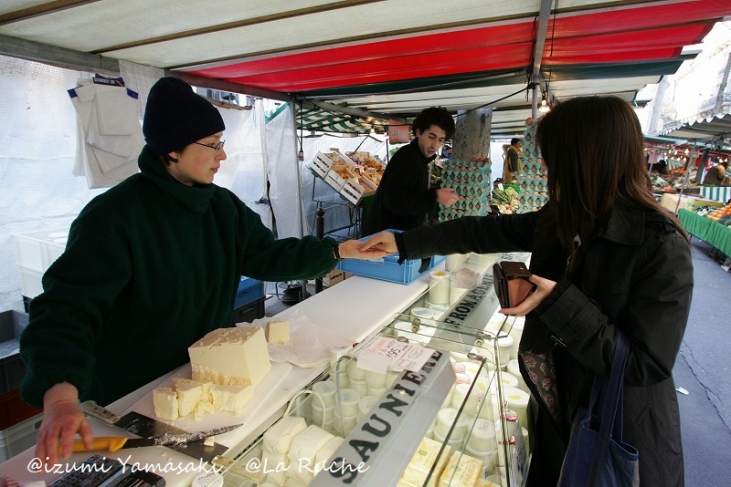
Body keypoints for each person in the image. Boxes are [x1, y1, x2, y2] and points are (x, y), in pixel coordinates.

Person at [19, 77, 387, 465]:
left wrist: (336, 249)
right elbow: (65, 309)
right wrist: (60, 395)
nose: (222, 156)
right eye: (212, 144)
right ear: (172, 150)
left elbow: (266, 255)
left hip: (205, 385)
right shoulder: (114, 219)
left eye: (221, 143)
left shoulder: (220, 208)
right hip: (130, 401)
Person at [362, 96, 692, 487]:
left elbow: (646, 365)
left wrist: (559, 301)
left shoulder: (659, 243)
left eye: (552, 156)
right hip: (557, 408)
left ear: (584, 158)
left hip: (616, 430)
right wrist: (405, 243)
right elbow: (482, 231)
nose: (546, 167)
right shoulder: (565, 217)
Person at [361, 107, 461, 236]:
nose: (435, 145)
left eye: (441, 140)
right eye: (431, 136)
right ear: (418, 132)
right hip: (384, 240)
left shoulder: (419, 159)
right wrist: (435, 196)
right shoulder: (408, 158)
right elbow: (395, 202)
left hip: (395, 238)